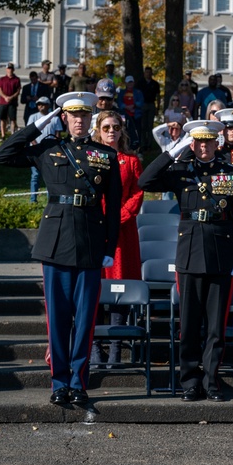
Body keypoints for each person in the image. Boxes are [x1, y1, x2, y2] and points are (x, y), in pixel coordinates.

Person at [0, 91, 122, 406]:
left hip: (91, 242)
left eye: (85, 115)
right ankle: (59, 382)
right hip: (55, 242)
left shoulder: (105, 155)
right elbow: (3, 154)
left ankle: (79, 383)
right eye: (73, 115)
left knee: (85, 320)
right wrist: (40, 124)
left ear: (92, 118)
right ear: (64, 118)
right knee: (58, 319)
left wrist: (110, 245)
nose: (79, 121)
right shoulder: (49, 148)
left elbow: (115, 207)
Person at [138, 120, 233, 402]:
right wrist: (170, 152)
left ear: (217, 143)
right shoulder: (180, 172)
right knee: (188, 324)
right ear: (192, 144)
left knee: (215, 326)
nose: (203, 146)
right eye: (198, 142)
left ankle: (212, 381)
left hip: (221, 254)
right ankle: (190, 381)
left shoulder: (232, 174)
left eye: (208, 141)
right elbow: (145, 181)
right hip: (189, 254)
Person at [89, 109, 143, 367]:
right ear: (99, 130)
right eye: (107, 127)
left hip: (122, 233)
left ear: (122, 131)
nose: (112, 131)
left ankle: (116, 350)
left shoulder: (131, 161)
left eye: (116, 127)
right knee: (94, 286)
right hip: (95, 231)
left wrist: (116, 218)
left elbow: (137, 195)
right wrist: (101, 220)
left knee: (119, 288)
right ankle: (95, 348)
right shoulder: (91, 157)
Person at [25, 97, 62, 203]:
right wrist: (36, 145)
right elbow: (29, 134)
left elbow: (57, 134)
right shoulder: (33, 117)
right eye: (39, 104)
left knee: (50, 176)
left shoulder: (55, 118)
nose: (40, 106)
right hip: (36, 151)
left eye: (43, 104)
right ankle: (33, 199)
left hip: (50, 151)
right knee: (35, 175)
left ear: (48, 106)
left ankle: (50, 198)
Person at [0, 63, 21, 139]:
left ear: (13, 69)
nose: (9, 70)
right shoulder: (2, 79)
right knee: (3, 118)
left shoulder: (16, 79)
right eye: (8, 68)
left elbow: (18, 90)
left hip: (12, 102)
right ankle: (3, 135)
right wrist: (5, 97)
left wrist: (11, 97)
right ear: (6, 69)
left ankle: (12, 135)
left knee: (13, 119)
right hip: (3, 102)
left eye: (11, 68)